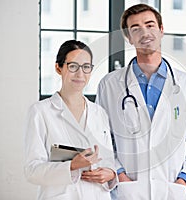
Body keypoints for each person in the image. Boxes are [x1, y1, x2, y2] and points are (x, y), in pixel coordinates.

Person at [96, 4, 186, 200]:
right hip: (127, 192)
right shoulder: (109, 85)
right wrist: (120, 175)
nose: (144, 32)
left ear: (161, 30)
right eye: (135, 29)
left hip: (171, 192)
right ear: (128, 37)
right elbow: (101, 141)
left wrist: (183, 182)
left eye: (150, 25)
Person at [24, 40, 117, 200]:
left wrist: (110, 174)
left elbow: (108, 161)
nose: (80, 74)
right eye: (73, 66)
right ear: (58, 68)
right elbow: (32, 171)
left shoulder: (99, 113)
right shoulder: (40, 112)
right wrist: (72, 166)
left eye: (86, 67)